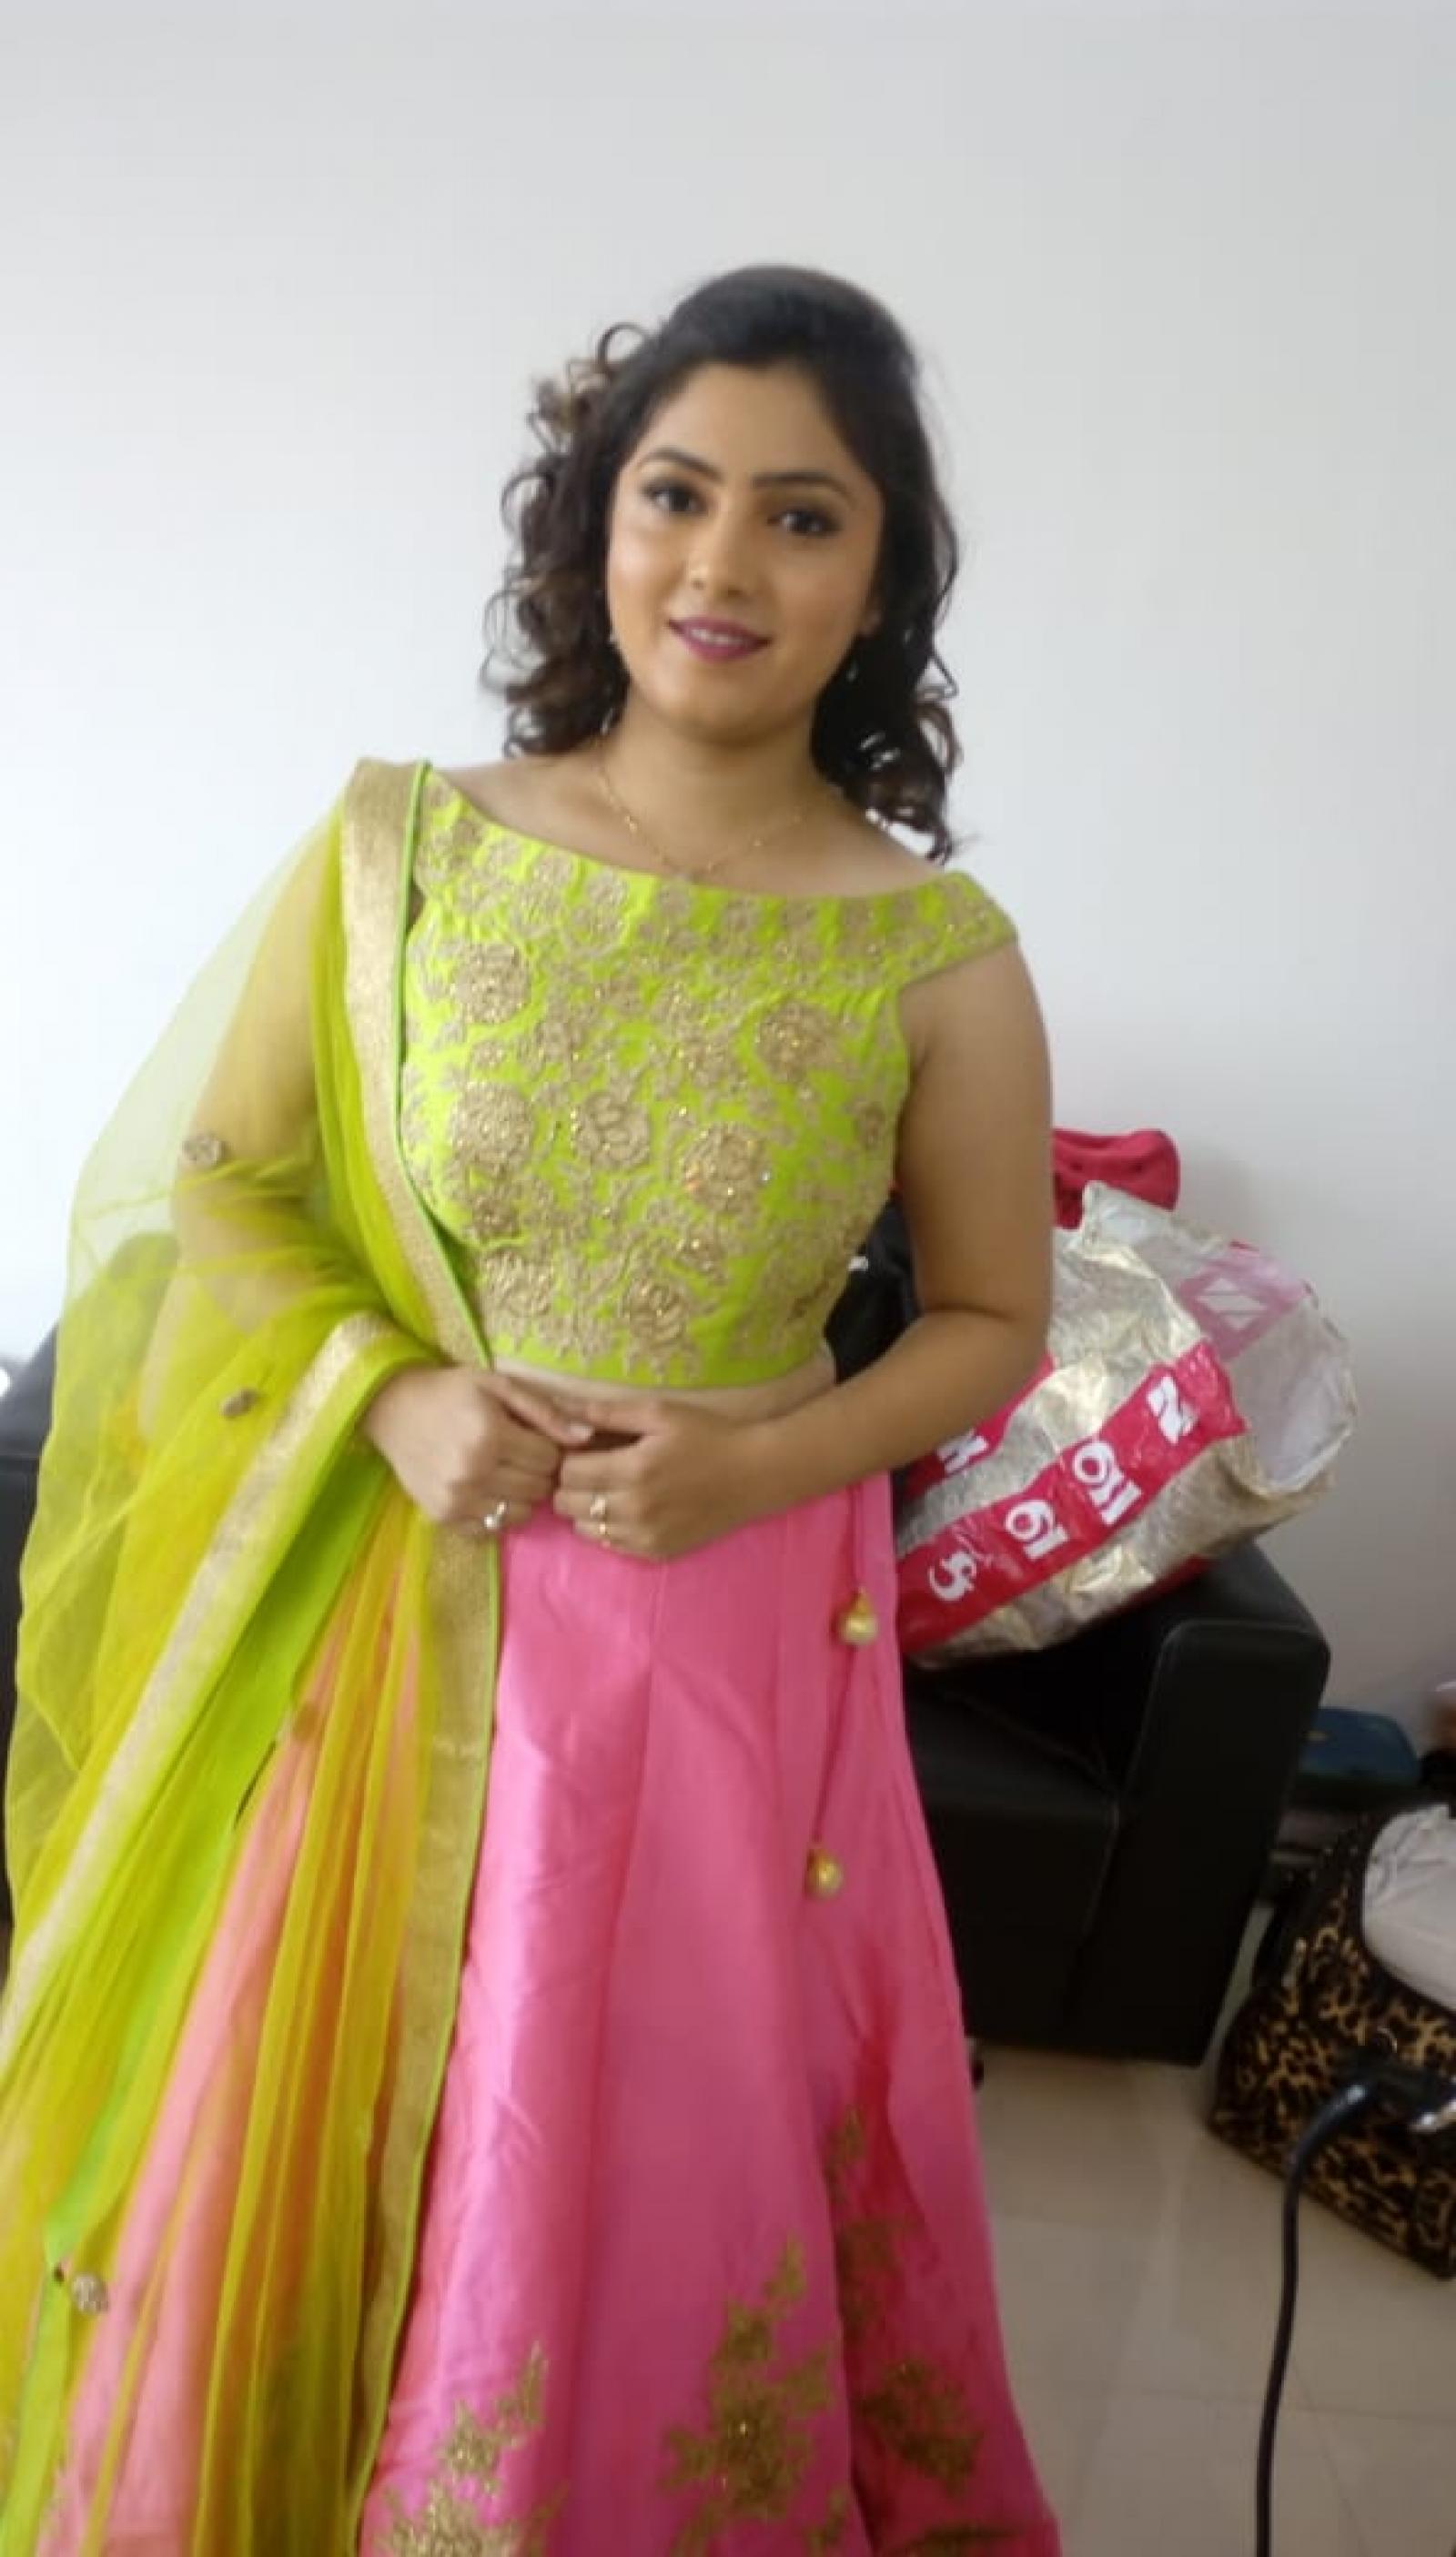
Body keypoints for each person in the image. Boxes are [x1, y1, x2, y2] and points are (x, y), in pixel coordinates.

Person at [0, 264, 1060, 2553]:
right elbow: (231, 1184)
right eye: (674, 493)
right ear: (592, 521)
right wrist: (386, 1393)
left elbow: (989, 1317)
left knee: (628, 2143)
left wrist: (756, 1459)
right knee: (323, 2117)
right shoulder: (398, 849)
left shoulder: (933, 958)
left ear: (880, 581)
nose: (720, 562)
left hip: (709, 1642)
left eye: (800, 515)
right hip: (391, 1600)